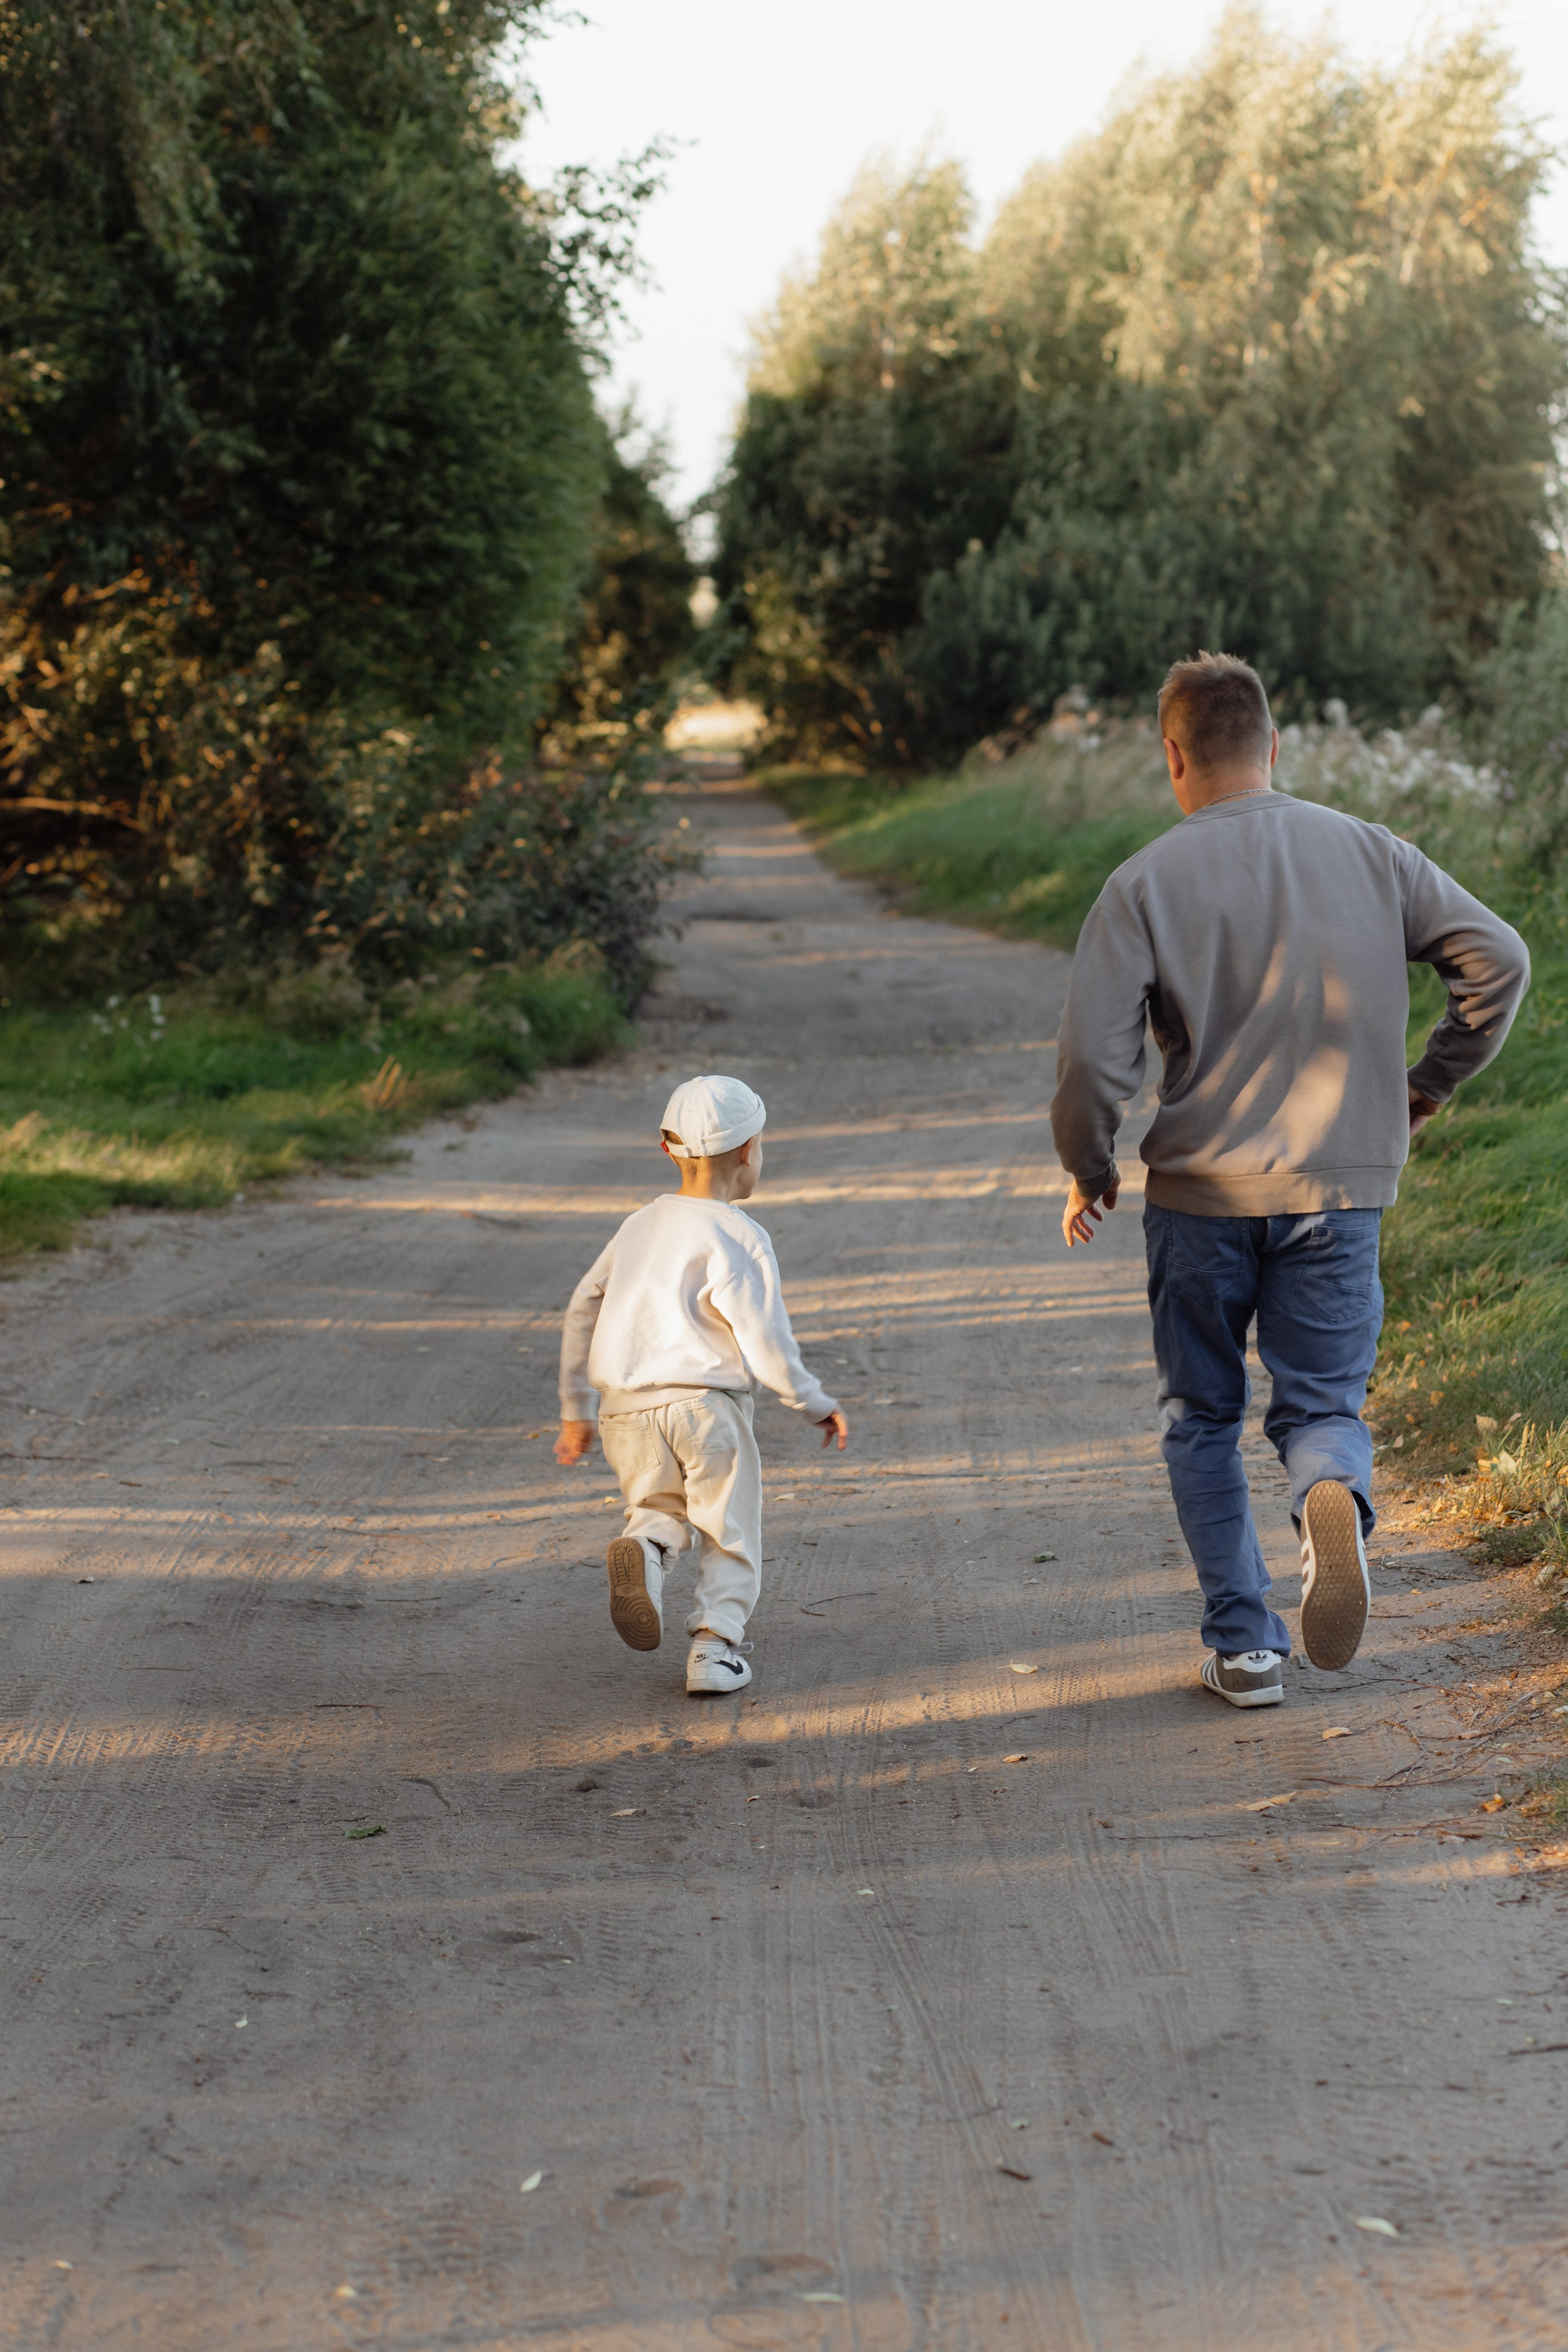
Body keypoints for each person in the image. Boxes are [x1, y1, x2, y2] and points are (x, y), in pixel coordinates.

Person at [1050, 652, 1529, 1708]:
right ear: (1273, 747)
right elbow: (1500, 961)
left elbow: (1093, 1061)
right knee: (1323, 1401)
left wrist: (1089, 1169)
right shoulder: (1373, 853)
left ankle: (1246, 1646)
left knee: (1202, 1415)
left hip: (1200, 1198)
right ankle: (1330, 1498)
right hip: (1340, 1190)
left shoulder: (1142, 882)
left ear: (1173, 758)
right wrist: (1427, 1084)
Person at [555, 1073, 849, 1696]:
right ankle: (715, 1651)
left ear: (668, 1150)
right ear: (749, 1151)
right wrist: (811, 1401)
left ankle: (647, 1547)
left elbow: (584, 1302)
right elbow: (766, 1341)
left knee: (658, 1508)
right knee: (727, 1527)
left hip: (625, 1412)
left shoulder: (638, 1225)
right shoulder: (738, 1234)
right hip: (706, 1408)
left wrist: (575, 1409)